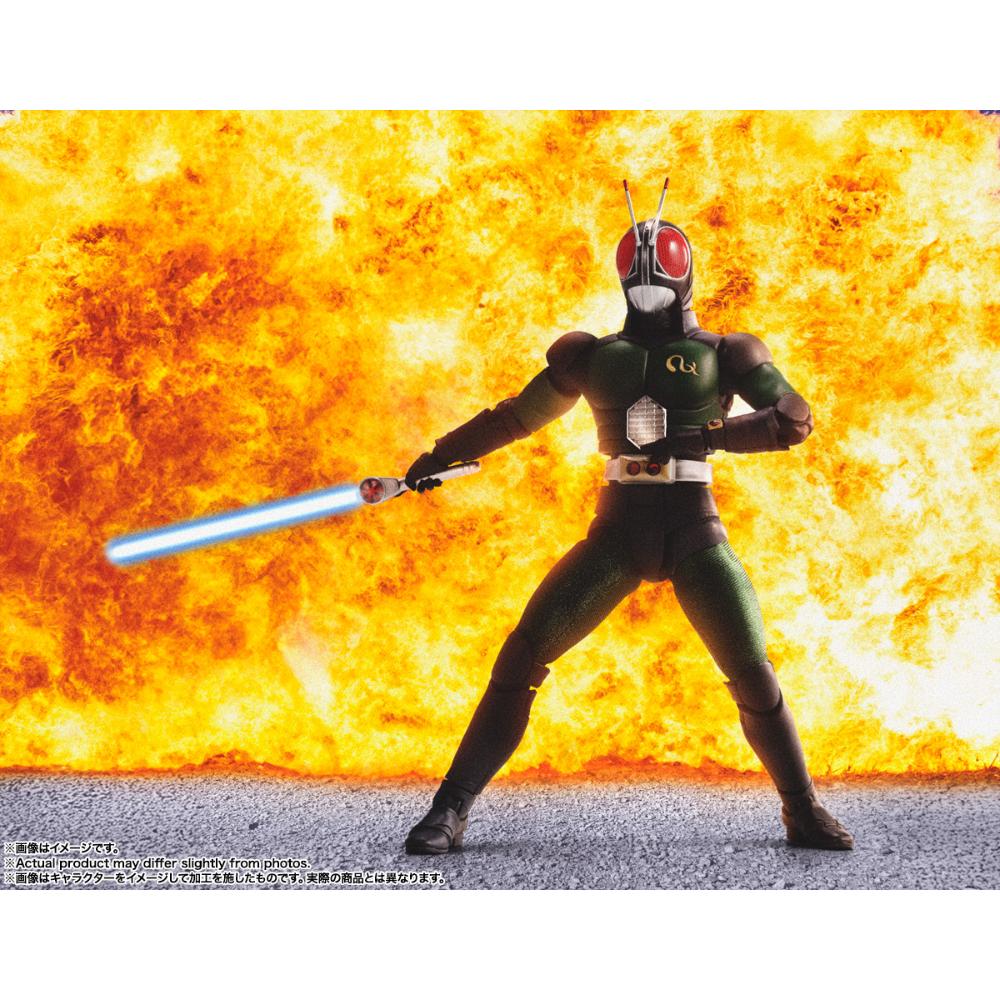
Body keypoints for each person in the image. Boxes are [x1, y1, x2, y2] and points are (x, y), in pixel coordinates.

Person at [402, 180, 854, 855]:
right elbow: (516, 418)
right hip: (616, 533)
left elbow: (793, 418)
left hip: (693, 529)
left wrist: (711, 436)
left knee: (752, 674)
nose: (647, 273)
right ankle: (449, 809)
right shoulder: (592, 356)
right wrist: (441, 456)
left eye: (660, 260)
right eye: (636, 262)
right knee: (521, 657)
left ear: (684, 268)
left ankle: (802, 808)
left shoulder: (725, 353)